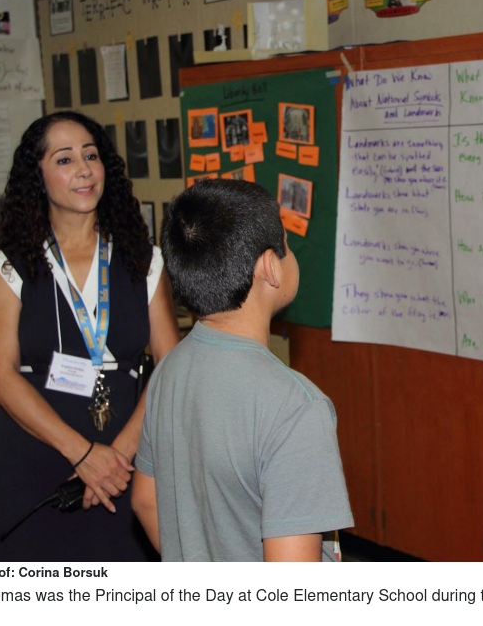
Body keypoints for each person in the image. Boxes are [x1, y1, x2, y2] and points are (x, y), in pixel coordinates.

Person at [0, 111, 179, 560]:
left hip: (125, 464)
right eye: (64, 159)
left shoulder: (143, 260)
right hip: (35, 459)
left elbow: (170, 365)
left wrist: (116, 457)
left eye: (91, 156)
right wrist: (83, 454)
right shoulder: (10, 267)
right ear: (37, 177)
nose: (84, 170)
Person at [132, 180, 353, 561]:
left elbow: (145, 501)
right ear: (270, 267)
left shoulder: (168, 371)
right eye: (286, 244)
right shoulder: (296, 407)